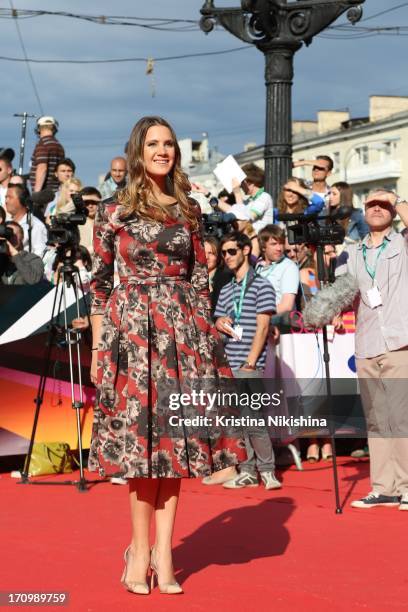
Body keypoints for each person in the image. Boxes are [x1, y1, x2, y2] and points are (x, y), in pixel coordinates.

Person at [88, 116, 246, 594]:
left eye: (170, 144)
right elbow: (98, 286)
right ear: (138, 151)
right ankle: (138, 550)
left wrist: (202, 331)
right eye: (154, 144)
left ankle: (165, 552)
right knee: (141, 449)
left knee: (175, 448)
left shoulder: (189, 210)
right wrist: (100, 348)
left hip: (181, 335)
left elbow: (200, 277)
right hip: (131, 336)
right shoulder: (113, 211)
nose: (163, 151)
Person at [335, 188, 408, 510]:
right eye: (372, 204)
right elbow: (345, 291)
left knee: (401, 416)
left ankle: (406, 485)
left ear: (394, 210)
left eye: (384, 205)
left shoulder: (403, 243)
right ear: (364, 210)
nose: (377, 209)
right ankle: (384, 487)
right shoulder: (353, 251)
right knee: (377, 419)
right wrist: (335, 308)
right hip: (366, 342)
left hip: (398, 340)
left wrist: (399, 201)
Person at [213, 231, 282, 490]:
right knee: (239, 420)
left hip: (248, 363)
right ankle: (249, 470)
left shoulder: (261, 284)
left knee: (253, 418)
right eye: (223, 253)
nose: (227, 257)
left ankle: (268, 470)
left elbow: (263, 327)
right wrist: (218, 322)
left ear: (244, 250)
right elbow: (219, 322)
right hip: (230, 360)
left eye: (231, 251)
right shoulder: (227, 287)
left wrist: (251, 362)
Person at [256, 225, 299, 315]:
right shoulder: (256, 265)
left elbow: (287, 306)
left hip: (278, 324)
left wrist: (258, 317)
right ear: (263, 247)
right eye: (274, 244)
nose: (279, 248)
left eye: (281, 243)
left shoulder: (289, 267)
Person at [217, 163, 273, 232]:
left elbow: (245, 217)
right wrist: (208, 194)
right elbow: (232, 210)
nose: (240, 186)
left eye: (242, 182)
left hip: (260, 240)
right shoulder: (249, 201)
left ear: (250, 182)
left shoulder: (264, 197)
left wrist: (237, 192)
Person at [5, 184, 47, 256]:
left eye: (10, 197)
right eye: (5, 197)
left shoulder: (35, 225)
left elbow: (40, 255)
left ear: (22, 200)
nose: (6, 201)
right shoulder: (5, 222)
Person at [29, 116, 65, 193]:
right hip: (56, 190)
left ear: (38, 129)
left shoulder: (43, 144)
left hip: (44, 193)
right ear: (54, 129)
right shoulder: (59, 146)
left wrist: (36, 193)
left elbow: (42, 168)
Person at [78, 187, 102, 255]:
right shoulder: (77, 223)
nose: (90, 206)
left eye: (94, 202)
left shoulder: (106, 223)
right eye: (86, 203)